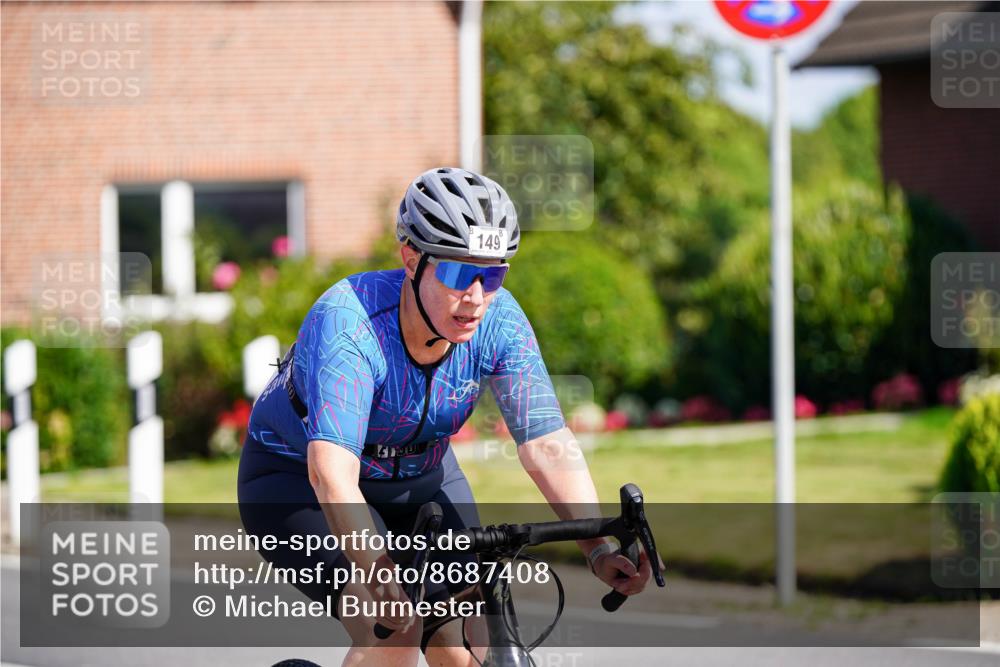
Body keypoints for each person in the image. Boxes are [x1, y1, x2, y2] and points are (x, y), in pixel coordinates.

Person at [238, 167, 656, 667]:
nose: (477, 297)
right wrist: (375, 567)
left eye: (494, 274)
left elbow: (546, 442)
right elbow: (332, 475)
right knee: (396, 626)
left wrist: (597, 545)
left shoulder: (499, 322)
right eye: (459, 274)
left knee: (467, 646)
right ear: (411, 260)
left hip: (423, 478)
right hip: (296, 481)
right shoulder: (350, 323)